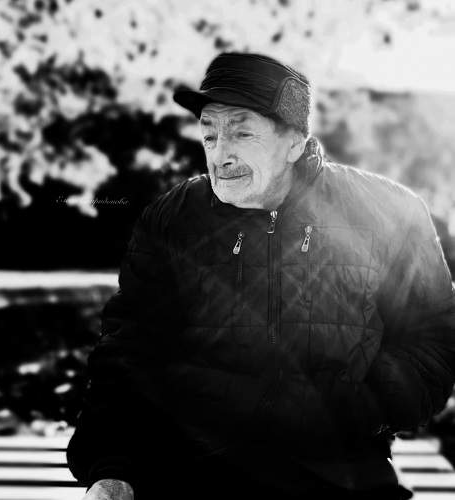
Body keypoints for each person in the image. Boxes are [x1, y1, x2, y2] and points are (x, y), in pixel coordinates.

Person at [67, 52, 455, 500]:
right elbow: (128, 349)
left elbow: (434, 335)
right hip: (190, 468)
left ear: (294, 143)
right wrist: (112, 468)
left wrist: (364, 406)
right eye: (209, 134)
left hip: (340, 470)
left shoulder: (390, 213)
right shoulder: (173, 219)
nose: (220, 154)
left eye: (242, 132)